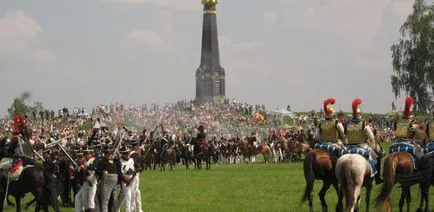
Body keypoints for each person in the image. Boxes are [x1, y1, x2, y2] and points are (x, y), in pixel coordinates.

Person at [344, 98, 383, 184]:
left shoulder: (347, 123)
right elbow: (372, 138)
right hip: (362, 146)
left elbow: (345, 135)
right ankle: (377, 177)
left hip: (348, 147)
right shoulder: (363, 123)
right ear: (359, 114)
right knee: (376, 157)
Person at [75, 147, 98, 212]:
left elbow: (93, 168)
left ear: (90, 154)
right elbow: (78, 171)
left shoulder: (94, 160)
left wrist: (84, 167)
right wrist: (79, 165)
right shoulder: (82, 160)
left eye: (88, 153)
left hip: (92, 182)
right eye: (85, 153)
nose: (86, 155)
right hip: (85, 182)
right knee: (84, 200)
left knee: (91, 199)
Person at [96, 147, 118, 212]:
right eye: (107, 153)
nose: (109, 155)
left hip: (114, 180)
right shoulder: (102, 162)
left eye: (110, 153)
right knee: (105, 201)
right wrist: (102, 172)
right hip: (106, 180)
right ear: (105, 154)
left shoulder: (114, 161)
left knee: (114, 199)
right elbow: (97, 171)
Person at [118, 146, 135, 212]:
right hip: (125, 180)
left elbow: (133, 170)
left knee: (133, 196)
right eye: (126, 153)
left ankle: (132, 209)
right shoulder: (120, 161)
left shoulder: (131, 160)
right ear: (122, 154)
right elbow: (120, 172)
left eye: (128, 153)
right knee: (128, 197)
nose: (127, 154)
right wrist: (125, 179)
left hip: (132, 179)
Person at [129, 141, 143, 212]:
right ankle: (138, 209)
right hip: (134, 174)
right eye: (137, 146)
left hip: (129, 174)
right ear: (135, 147)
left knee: (132, 191)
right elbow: (139, 165)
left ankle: (134, 208)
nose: (138, 147)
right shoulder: (136, 155)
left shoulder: (129, 154)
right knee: (136, 191)